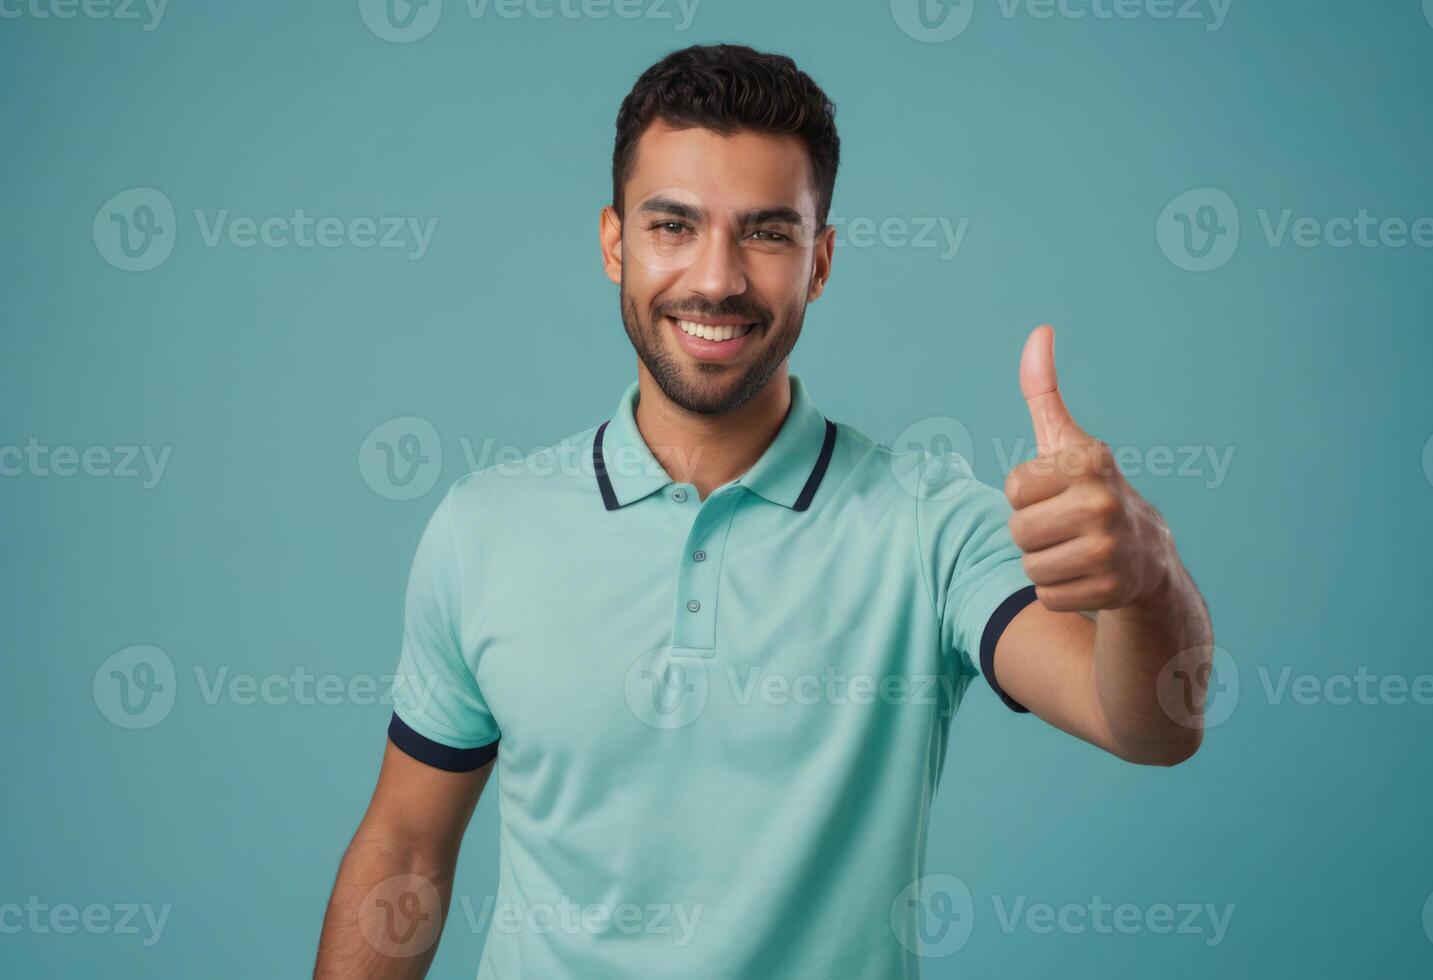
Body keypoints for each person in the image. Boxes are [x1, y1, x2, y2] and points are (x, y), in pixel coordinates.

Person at [314, 42, 1213, 980]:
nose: (716, 279)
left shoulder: (932, 526)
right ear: (614, 242)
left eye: (767, 233)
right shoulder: (482, 528)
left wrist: (1147, 585)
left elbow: (1153, 727)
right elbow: (408, 848)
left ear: (818, 261)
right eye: (673, 225)